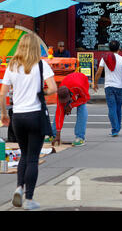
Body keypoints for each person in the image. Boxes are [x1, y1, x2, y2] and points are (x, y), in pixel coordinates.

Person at [0, 34, 57, 210]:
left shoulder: (12, 66)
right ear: (35, 47)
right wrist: (43, 93)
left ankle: (19, 187)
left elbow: (3, 94)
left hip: (18, 116)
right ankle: (29, 198)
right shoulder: (41, 65)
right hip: (35, 115)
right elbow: (54, 88)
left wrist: (4, 114)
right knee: (33, 158)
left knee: (23, 154)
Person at [93, 40, 122, 137]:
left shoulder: (104, 58)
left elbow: (98, 72)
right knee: (118, 108)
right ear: (119, 49)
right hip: (120, 87)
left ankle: (115, 129)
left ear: (109, 48)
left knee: (111, 108)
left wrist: (95, 83)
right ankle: (117, 127)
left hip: (109, 86)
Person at [52, 72, 90, 147]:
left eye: (66, 100)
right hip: (70, 81)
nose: (64, 102)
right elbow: (59, 114)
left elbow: (86, 98)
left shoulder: (78, 87)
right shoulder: (60, 92)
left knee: (82, 107)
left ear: (70, 94)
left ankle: (80, 137)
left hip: (82, 81)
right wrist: (58, 133)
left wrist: (71, 105)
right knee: (59, 109)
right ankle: (53, 134)